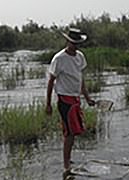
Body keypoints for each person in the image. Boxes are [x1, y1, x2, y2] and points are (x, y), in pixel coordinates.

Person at [46, 28, 95, 172]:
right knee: (69, 133)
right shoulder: (59, 58)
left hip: (75, 98)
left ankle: (68, 159)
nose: (75, 45)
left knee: (75, 131)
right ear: (67, 41)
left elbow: (80, 79)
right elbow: (51, 81)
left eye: (77, 43)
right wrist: (48, 104)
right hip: (64, 99)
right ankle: (66, 165)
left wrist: (87, 98)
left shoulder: (80, 56)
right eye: (73, 42)